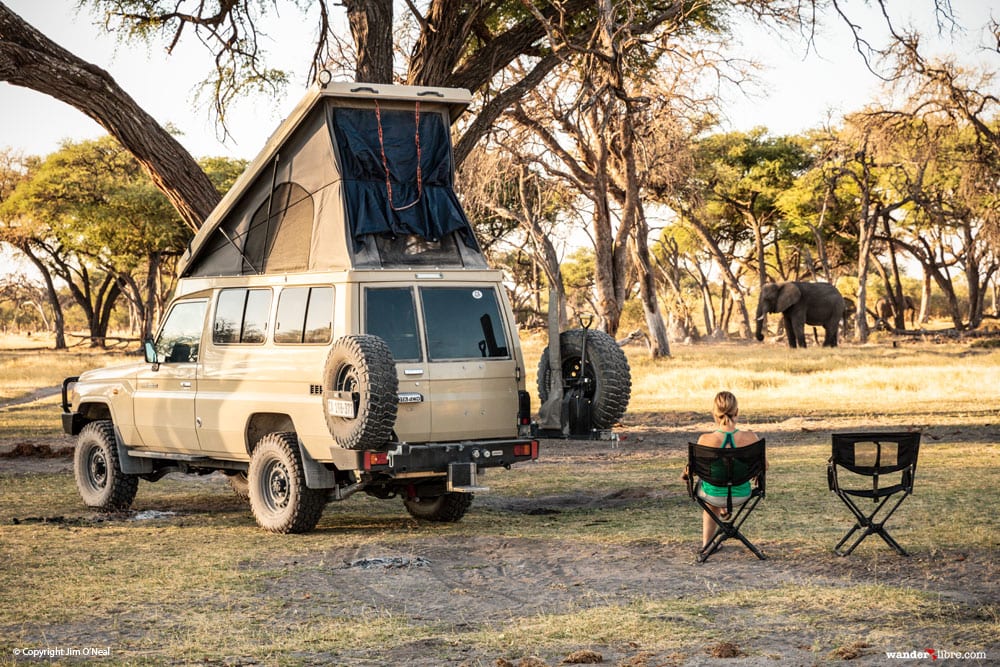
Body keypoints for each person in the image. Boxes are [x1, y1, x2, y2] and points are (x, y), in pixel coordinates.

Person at [689, 391, 764, 551]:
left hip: (714, 496)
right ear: (737, 412)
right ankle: (723, 509)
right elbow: (764, 465)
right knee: (720, 481)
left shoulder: (705, 440)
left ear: (714, 414)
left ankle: (707, 544)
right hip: (742, 494)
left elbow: (693, 470)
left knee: (710, 489)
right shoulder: (751, 438)